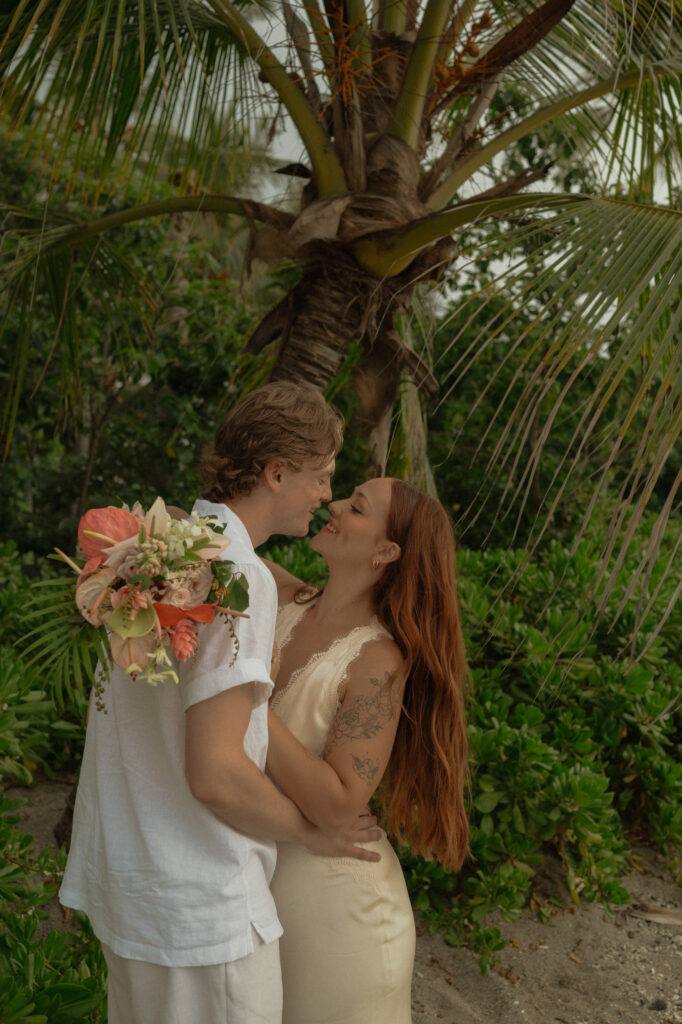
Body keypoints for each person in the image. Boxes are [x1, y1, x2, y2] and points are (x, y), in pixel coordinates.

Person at [59, 382, 382, 1024]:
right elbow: (216, 773)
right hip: (201, 909)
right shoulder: (238, 576)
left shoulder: (163, 544)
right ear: (276, 472)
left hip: (134, 883)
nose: (324, 495)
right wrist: (307, 830)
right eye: (320, 477)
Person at [263, 476, 470, 1024]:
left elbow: (338, 805)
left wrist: (243, 703)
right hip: (259, 884)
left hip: (337, 907)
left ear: (386, 551)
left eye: (354, 507)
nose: (332, 505)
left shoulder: (378, 660)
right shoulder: (284, 598)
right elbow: (217, 540)